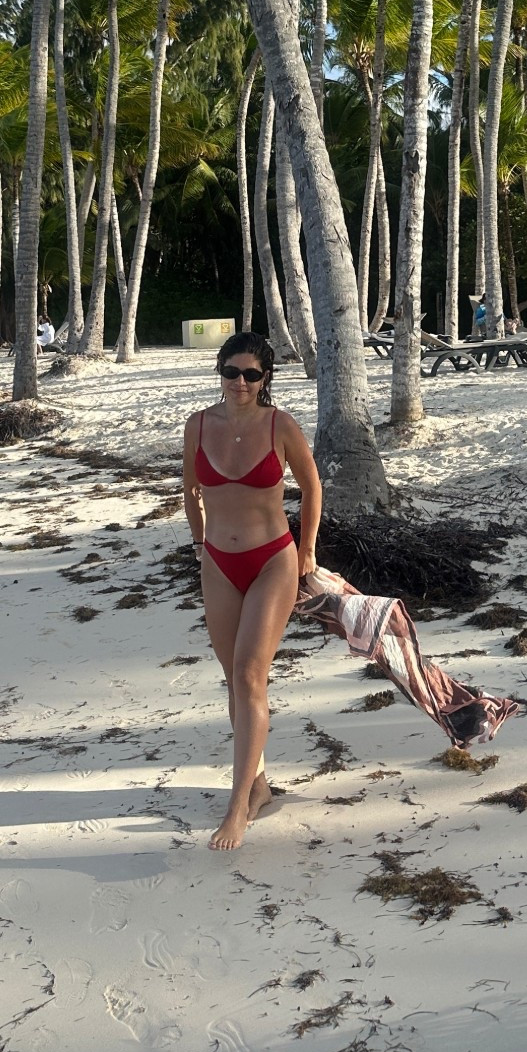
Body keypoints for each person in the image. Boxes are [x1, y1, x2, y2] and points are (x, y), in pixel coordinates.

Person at [182, 331, 321, 852]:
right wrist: (199, 543)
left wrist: (307, 550)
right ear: (219, 372)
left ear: (265, 379)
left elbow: (312, 486)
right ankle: (258, 783)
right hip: (218, 563)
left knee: (248, 675)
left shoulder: (280, 425)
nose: (239, 383)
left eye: (251, 374)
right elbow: (189, 489)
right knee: (234, 680)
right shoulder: (198, 425)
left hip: (272, 561)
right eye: (231, 372)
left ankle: (237, 805)